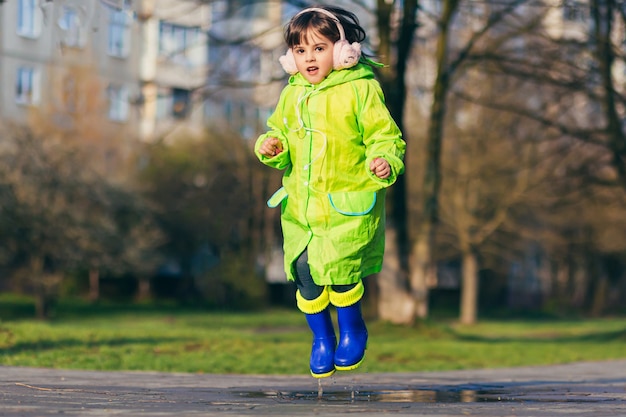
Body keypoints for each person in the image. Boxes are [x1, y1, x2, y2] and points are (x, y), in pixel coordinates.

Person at [254, 5, 405, 378]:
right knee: (304, 271)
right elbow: (279, 131)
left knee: (339, 271)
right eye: (301, 51)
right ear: (291, 57)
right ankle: (321, 338)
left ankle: (353, 328)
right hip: (302, 208)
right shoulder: (292, 94)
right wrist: (272, 145)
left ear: (342, 51)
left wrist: (384, 160)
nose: (309, 58)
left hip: (346, 204)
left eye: (319, 48)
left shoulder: (361, 89)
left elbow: (385, 137)